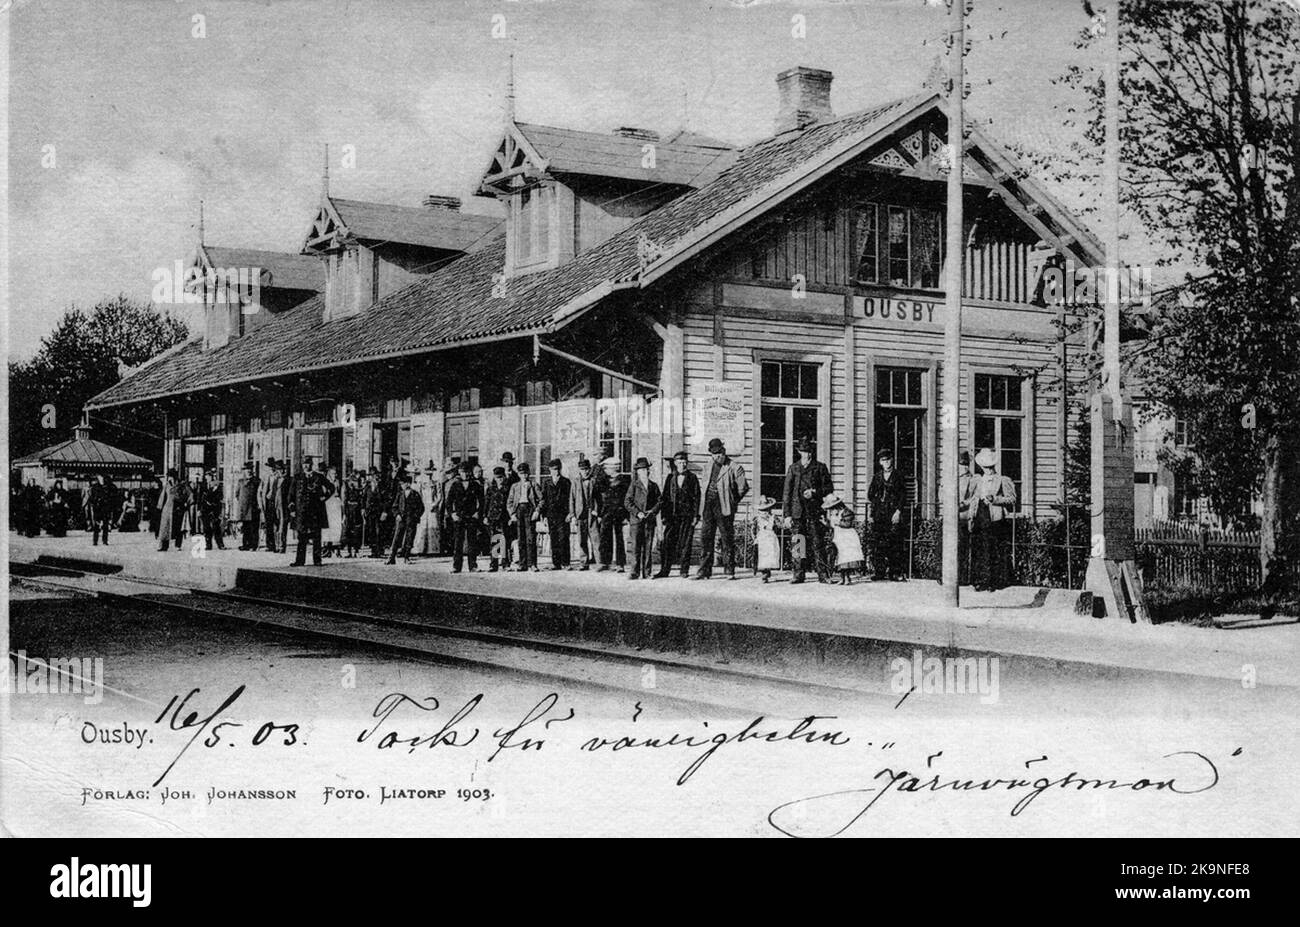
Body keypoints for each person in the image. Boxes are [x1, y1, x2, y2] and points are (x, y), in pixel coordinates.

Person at [693, 438, 748, 580]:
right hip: (708, 507)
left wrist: (732, 501)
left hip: (725, 508)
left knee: (726, 539)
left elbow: (743, 488)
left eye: (720, 453)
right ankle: (704, 571)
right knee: (706, 538)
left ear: (724, 451)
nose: (718, 456)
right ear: (711, 454)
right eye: (715, 454)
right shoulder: (708, 466)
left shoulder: (734, 467)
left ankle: (729, 570)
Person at [782, 436, 834, 584]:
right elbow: (787, 493)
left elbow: (828, 488)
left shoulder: (820, 467)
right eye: (804, 452)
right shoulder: (793, 468)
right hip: (797, 512)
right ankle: (798, 574)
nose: (807, 455)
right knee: (798, 542)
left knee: (818, 542)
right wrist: (787, 515)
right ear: (799, 452)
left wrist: (815, 492)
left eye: (809, 451)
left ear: (812, 452)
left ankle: (823, 574)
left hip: (814, 511)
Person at [969, 447, 1017, 591]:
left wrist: (995, 499)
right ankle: (980, 580)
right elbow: (972, 497)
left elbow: (1012, 499)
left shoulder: (1002, 480)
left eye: (990, 467)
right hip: (980, 515)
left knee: (994, 549)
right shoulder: (978, 480)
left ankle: (994, 581)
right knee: (979, 548)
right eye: (985, 467)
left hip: (995, 517)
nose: (987, 469)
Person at [655, 451, 700, 579]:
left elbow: (697, 498)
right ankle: (665, 570)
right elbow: (664, 498)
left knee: (686, 543)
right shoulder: (670, 478)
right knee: (668, 542)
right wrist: (664, 516)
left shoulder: (692, 478)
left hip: (687, 516)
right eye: (680, 462)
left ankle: (684, 570)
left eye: (684, 462)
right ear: (675, 463)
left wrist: (696, 516)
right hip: (672, 517)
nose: (682, 465)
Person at [867, 449, 907, 581]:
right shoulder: (877, 477)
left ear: (892, 460)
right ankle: (879, 572)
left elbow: (903, 496)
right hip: (879, 513)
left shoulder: (898, 476)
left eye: (888, 459)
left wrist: (898, 511)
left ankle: (894, 572)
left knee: (894, 543)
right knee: (878, 543)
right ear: (880, 462)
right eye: (884, 460)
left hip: (892, 513)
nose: (887, 462)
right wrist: (872, 512)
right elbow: (870, 495)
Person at [289, 456, 332, 567]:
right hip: (301, 512)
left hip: (315, 512)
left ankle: (317, 561)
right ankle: (300, 561)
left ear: (311, 464)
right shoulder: (297, 477)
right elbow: (291, 495)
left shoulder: (319, 477)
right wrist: (292, 509)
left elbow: (331, 487)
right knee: (301, 537)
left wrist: (324, 497)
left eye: (308, 464)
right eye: (304, 464)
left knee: (316, 537)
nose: (306, 466)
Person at [624, 457, 661, 580]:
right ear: (638, 472)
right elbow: (627, 502)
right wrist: (637, 513)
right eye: (641, 470)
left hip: (649, 520)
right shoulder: (634, 485)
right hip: (636, 521)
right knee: (635, 547)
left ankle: (647, 572)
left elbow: (660, 501)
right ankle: (634, 572)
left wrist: (653, 511)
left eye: (646, 469)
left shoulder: (653, 486)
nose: (644, 472)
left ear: (649, 471)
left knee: (648, 546)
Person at [446, 462, 482, 573]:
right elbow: (449, 502)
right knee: (458, 542)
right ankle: (456, 566)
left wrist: (478, 513)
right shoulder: (455, 485)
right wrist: (452, 513)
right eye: (462, 472)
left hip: (471, 516)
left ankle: (473, 566)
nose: (465, 475)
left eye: (466, 472)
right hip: (459, 517)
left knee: (472, 542)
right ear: (459, 473)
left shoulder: (475, 485)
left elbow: (482, 501)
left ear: (470, 473)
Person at [507, 461, 543, 572]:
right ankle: (522, 564)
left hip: (530, 510)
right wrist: (512, 514)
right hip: (519, 511)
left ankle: (532, 564)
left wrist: (537, 511)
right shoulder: (515, 486)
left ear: (529, 473)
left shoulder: (534, 485)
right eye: (521, 473)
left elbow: (541, 500)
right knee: (521, 538)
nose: (524, 476)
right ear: (518, 474)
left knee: (530, 538)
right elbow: (510, 502)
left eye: (526, 473)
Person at [823, 493, 865, 585]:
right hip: (839, 537)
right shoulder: (835, 514)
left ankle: (847, 578)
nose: (832, 510)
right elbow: (832, 526)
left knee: (846, 558)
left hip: (847, 536)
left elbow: (847, 524)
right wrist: (826, 523)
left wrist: (837, 523)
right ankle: (842, 578)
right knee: (840, 557)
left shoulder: (847, 512)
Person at [386, 472, 425, 565]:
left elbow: (421, 508)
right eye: (401, 484)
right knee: (396, 538)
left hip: (411, 520)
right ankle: (392, 558)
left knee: (409, 538)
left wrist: (415, 516)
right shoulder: (400, 494)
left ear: (408, 483)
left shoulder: (415, 494)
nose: (401, 485)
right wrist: (397, 515)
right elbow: (394, 507)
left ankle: (407, 557)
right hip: (401, 519)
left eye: (403, 483)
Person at [541, 459, 572, 570]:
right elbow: (543, 499)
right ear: (550, 470)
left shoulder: (566, 482)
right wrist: (544, 516)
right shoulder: (546, 482)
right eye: (554, 469)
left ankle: (566, 562)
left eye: (558, 469)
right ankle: (556, 563)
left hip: (563, 515)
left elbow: (570, 499)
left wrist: (570, 513)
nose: (556, 471)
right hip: (551, 514)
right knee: (554, 538)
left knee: (564, 537)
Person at [569, 458, 599, 570]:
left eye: (587, 469)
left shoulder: (594, 481)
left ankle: (598, 561)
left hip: (592, 513)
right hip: (580, 513)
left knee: (595, 538)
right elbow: (572, 499)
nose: (585, 471)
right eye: (582, 469)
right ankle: (583, 562)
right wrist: (573, 515)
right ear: (579, 470)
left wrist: (597, 510)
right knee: (582, 539)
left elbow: (598, 498)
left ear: (590, 469)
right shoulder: (575, 482)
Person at [483, 467, 511, 571]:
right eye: (497, 477)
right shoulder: (491, 489)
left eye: (501, 477)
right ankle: (493, 564)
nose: (499, 479)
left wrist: (510, 516)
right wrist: (485, 516)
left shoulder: (508, 488)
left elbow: (510, 502)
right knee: (494, 540)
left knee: (504, 540)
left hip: (504, 516)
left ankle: (505, 563)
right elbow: (486, 503)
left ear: (504, 477)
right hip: (493, 517)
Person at [957, 450, 979, 585]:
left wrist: (965, 503)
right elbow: (943, 495)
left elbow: (975, 497)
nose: (964, 467)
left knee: (964, 547)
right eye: (961, 464)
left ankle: (964, 577)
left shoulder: (973, 479)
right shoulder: (950, 478)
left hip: (965, 516)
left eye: (966, 464)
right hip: (951, 517)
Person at [415, 461, 442, 556]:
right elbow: (418, 495)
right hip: (423, 506)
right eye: (427, 470)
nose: (429, 473)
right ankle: (420, 549)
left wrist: (434, 504)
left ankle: (433, 550)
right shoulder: (421, 482)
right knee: (423, 526)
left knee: (433, 526)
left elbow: (439, 496)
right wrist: (420, 505)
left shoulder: (436, 482)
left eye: (430, 470)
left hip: (433, 507)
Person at [752, 496, 781, 583]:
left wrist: (785, 524)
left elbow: (779, 525)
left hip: (770, 538)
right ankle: (764, 573)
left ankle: (767, 571)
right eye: (762, 510)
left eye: (766, 510)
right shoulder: (757, 519)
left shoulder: (773, 517)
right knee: (762, 556)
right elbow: (753, 529)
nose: (764, 513)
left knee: (770, 556)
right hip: (762, 538)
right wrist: (754, 538)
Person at [156, 470, 187, 552]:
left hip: (178, 507)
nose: (169, 478)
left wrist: (184, 503)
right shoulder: (167, 484)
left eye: (170, 476)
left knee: (178, 527)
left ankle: (178, 545)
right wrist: (159, 506)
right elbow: (163, 495)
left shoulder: (180, 484)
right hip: (168, 507)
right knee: (165, 526)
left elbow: (184, 495)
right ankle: (164, 546)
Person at [235, 462, 261, 551]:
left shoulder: (257, 481)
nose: (248, 471)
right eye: (247, 470)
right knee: (245, 528)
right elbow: (237, 494)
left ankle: (254, 545)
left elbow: (259, 494)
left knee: (254, 528)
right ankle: (245, 544)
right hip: (244, 508)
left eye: (250, 469)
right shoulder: (240, 482)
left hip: (254, 508)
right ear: (244, 471)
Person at [86, 474, 116, 546]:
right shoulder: (95, 487)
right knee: (96, 525)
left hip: (105, 507)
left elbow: (111, 496)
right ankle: (95, 540)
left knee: (105, 524)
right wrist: (95, 503)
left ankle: (104, 540)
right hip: (98, 508)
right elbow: (91, 498)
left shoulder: (108, 487)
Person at [199, 469, 226, 550]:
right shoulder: (202, 486)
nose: (208, 477)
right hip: (205, 509)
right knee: (206, 527)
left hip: (214, 509)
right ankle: (208, 544)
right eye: (206, 476)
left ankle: (220, 544)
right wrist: (199, 509)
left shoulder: (217, 485)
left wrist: (214, 502)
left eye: (209, 476)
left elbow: (220, 496)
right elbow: (199, 498)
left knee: (216, 527)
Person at [323, 465, 344, 557]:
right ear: (329, 473)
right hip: (328, 503)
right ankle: (326, 548)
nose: (334, 475)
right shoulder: (325, 482)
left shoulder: (338, 482)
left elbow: (341, 493)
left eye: (335, 474)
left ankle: (336, 548)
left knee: (336, 526)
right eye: (332, 473)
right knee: (327, 526)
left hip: (336, 503)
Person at [261, 457, 281, 553]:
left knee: (277, 523)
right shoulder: (266, 477)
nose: (271, 469)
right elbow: (262, 490)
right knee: (269, 524)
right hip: (268, 502)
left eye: (273, 467)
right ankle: (269, 545)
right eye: (269, 467)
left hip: (277, 502)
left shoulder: (279, 476)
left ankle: (278, 545)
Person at [343, 472, 364, 557]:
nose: (352, 483)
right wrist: (344, 514)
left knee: (357, 532)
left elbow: (361, 501)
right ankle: (349, 551)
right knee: (348, 531)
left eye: (354, 481)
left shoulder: (359, 491)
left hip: (357, 512)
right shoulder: (347, 491)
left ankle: (356, 550)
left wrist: (362, 509)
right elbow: (345, 502)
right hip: (349, 512)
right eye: (351, 481)